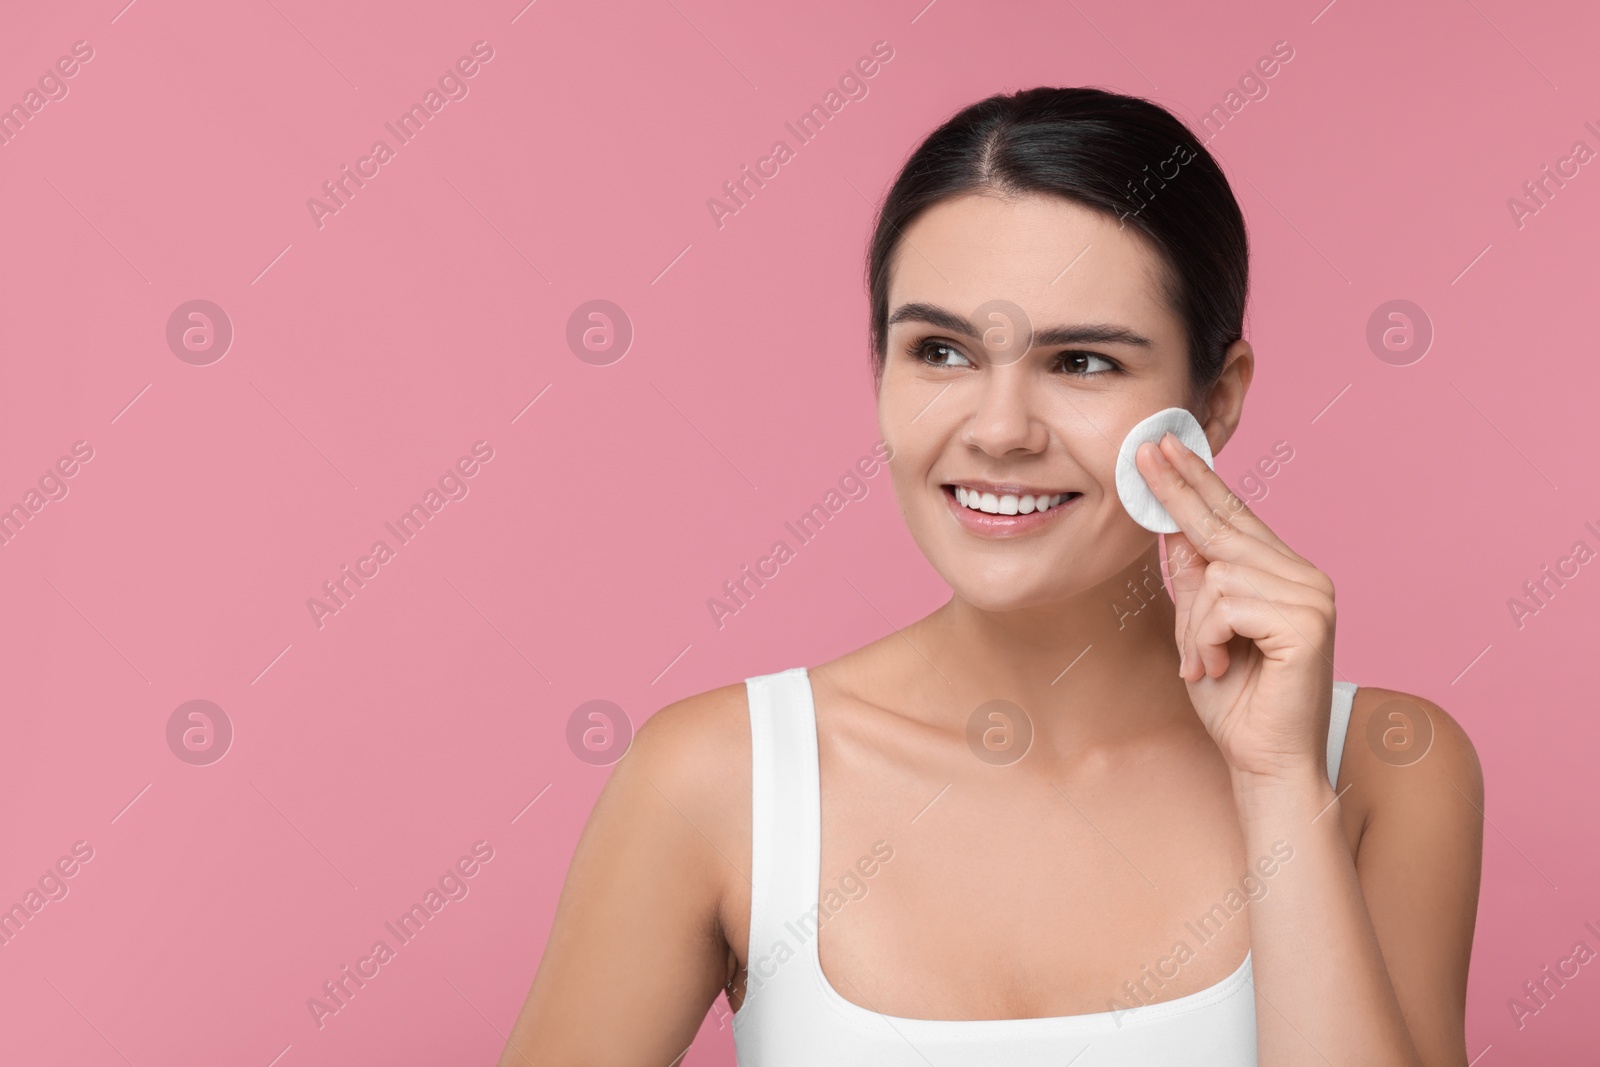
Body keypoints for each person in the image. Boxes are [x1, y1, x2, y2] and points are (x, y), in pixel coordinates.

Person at [495, 86, 1483, 1066]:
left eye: (1083, 362)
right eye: (940, 351)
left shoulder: (1386, 767)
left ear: (1213, 400)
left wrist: (1276, 786)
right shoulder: (715, 778)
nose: (1000, 428)